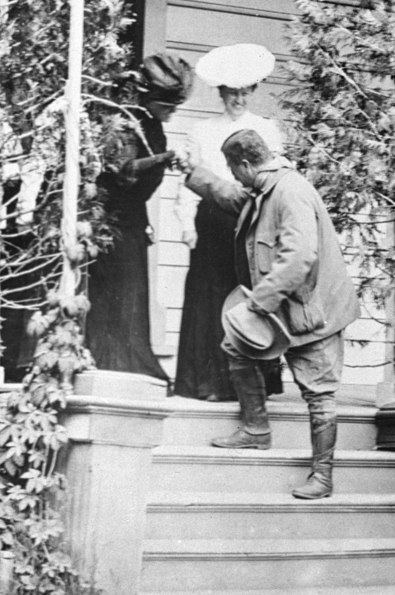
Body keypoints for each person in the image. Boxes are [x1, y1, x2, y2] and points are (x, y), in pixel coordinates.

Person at [179, 129, 360, 500]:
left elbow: (298, 257)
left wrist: (257, 304)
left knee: (319, 395)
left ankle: (322, 476)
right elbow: (233, 197)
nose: (232, 176)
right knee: (235, 348)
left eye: (232, 168)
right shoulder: (265, 186)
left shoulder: (289, 192)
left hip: (313, 312)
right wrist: (194, 173)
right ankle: (256, 429)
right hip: (282, 307)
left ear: (246, 164)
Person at [173, 43, 284, 401]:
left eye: (244, 91)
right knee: (209, 299)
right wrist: (187, 223)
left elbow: (275, 181)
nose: (237, 98)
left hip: (250, 222)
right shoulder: (202, 130)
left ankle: (252, 385)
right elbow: (189, 182)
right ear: (221, 93)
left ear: (253, 91)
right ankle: (206, 383)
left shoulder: (266, 130)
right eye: (231, 92)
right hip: (211, 224)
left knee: (246, 297)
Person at [86, 53, 194, 383]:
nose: (172, 114)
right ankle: (111, 363)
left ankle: (127, 362)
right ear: (150, 97)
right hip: (109, 223)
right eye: (168, 106)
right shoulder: (127, 123)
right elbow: (124, 172)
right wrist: (166, 157)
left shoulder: (153, 125)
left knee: (132, 294)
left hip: (132, 221)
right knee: (116, 294)